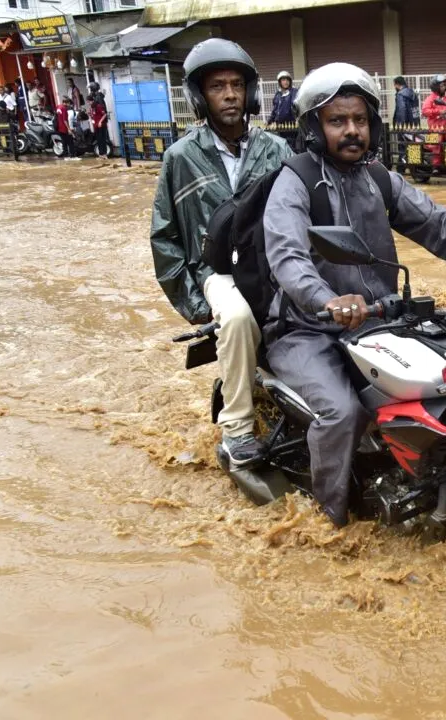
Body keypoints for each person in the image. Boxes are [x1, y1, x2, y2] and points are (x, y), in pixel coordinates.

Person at [259, 62, 446, 526]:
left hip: (380, 321)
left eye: (360, 120)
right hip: (307, 329)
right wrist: (326, 299)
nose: (352, 130)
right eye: (337, 121)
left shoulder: (378, 178)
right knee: (342, 411)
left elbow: (438, 225)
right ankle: (328, 519)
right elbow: (287, 257)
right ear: (314, 126)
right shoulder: (295, 180)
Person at [149, 39, 293, 469]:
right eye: (217, 87)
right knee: (235, 317)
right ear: (200, 96)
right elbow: (163, 236)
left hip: (270, 266)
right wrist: (194, 304)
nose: (230, 95)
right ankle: (237, 430)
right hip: (216, 273)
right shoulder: (180, 157)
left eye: (236, 85)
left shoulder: (276, 150)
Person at [89, 82, 111, 158]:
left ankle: (104, 154)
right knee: (99, 139)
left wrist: (101, 121)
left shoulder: (98, 98)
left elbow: (103, 112)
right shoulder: (98, 96)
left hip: (101, 122)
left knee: (102, 139)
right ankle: (101, 154)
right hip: (97, 122)